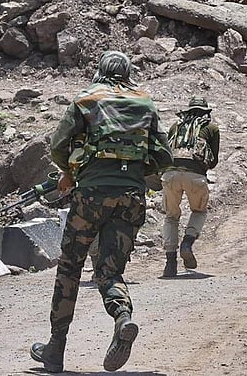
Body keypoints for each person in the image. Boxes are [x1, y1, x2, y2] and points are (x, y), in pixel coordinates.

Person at [30, 50, 172, 373]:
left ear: (99, 70)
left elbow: (57, 145)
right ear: (128, 72)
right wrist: (137, 171)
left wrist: (70, 170)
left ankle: (55, 350)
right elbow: (164, 155)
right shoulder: (145, 103)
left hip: (91, 196)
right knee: (110, 271)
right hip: (131, 198)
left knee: (70, 266)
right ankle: (123, 317)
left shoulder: (86, 100)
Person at [160, 96, 220, 277]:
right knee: (199, 211)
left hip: (170, 175)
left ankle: (170, 264)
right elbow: (214, 161)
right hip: (195, 176)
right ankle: (187, 242)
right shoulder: (211, 128)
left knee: (171, 217)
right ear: (205, 113)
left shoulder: (175, 126)